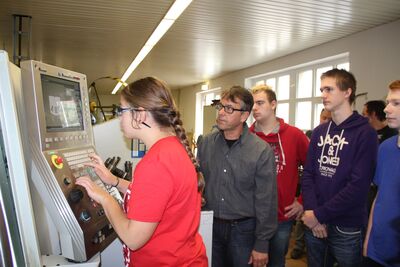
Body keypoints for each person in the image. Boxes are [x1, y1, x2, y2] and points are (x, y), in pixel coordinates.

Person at [76, 77, 208, 266]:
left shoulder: (155, 163)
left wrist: (105, 198)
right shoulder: (173, 148)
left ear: (140, 114)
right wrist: (113, 181)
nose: (119, 118)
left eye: (122, 111)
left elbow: (133, 238)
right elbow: (155, 197)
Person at [301, 69, 378, 267]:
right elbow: (308, 174)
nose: (323, 95)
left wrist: (319, 215)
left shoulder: (365, 133)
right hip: (314, 221)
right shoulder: (319, 132)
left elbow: (358, 187)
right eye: (321, 89)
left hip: (346, 226)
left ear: (347, 92)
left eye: (329, 89)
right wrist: (312, 212)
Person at [197, 86, 277, 267]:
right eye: (221, 107)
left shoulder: (261, 150)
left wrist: (262, 244)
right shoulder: (206, 143)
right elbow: (199, 180)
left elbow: (267, 201)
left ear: (244, 116)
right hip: (210, 226)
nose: (222, 113)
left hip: (243, 231)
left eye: (230, 109)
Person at [250, 85, 309, 266]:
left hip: (281, 217)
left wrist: (302, 200)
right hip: (250, 216)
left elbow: (313, 171)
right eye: (252, 104)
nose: (254, 108)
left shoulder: (295, 135)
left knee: (276, 262)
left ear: (273, 104)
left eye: (260, 103)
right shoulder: (247, 135)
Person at [363, 80, 400, 267]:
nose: (387, 109)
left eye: (396, 103)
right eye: (388, 102)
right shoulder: (385, 148)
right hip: (376, 252)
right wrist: (368, 243)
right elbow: (379, 197)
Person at [290, 108, 331, 260]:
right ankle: (299, 246)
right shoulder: (314, 135)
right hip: (311, 197)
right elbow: (308, 171)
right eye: (323, 117)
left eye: (329, 118)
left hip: (328, 201)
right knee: (304, 220)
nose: (325, 121)